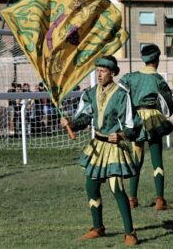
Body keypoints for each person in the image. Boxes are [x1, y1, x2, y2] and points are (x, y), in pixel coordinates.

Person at [60, 56, 141, 246]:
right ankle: (98, 228)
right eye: (97, 70)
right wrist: (70, 122)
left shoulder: (122, 94)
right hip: (97, 146)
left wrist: (121, 134)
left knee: (116, 189)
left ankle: (130, 233)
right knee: (91, 187)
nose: (99, 74)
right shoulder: (89, 94)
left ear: (112, 73)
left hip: (114, 148)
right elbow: (83, 119)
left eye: (103, 71)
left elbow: (133, 124)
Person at [119, 44, 173, 211]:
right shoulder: (158, 79)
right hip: (153, 120)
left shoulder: (130, 77)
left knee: (136, 159)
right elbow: (168, 105)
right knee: (157, 160)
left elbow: (120, 94)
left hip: (136, 120)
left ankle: (132, 199)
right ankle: (159, 200)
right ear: (157, 60)